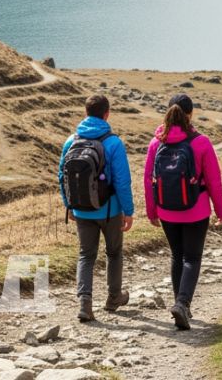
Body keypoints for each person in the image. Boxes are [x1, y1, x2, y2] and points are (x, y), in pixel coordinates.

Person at [144, 93, 222, 330]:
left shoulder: (156, 142)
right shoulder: (201, 142)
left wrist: (152, 212)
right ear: (190, 115)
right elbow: (214, 181)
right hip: (196, 210)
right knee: (192, 257)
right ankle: (182, 304)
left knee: (176, 255)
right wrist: (220, 210)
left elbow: (148, 179)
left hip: (167, 210)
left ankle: (182, 306)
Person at [59, 94, 134, 323]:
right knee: (114, 253)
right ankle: (113, 298)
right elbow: (122, 181)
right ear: (107, 114)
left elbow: (62, 175)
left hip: (81, 209)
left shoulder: (71, 141)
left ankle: (85, 304)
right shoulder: (113, 143)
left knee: (86, 255)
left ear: (86, 113)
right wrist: (128, 211)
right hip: (110, 210)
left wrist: (68, 204)